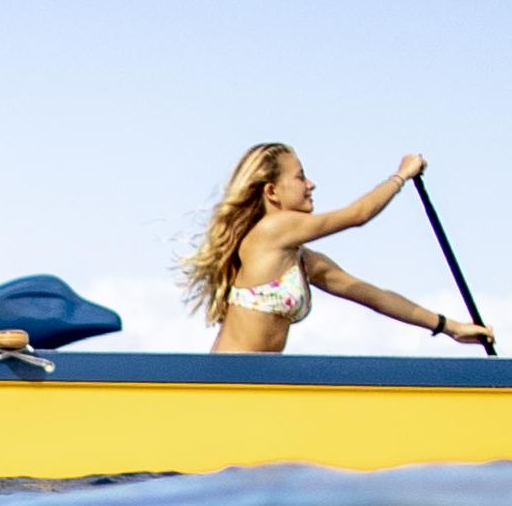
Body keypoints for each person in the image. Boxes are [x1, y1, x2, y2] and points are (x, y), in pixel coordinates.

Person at [180, 144, 492, 356]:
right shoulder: (270, 231)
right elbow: (358, 215)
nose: (311, 183)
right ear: (272, 192)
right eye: (300, 176)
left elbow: (375, 297)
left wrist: (449, 326)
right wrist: (402, 176)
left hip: (258, 386)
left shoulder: (301, 261)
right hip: (227, 383)